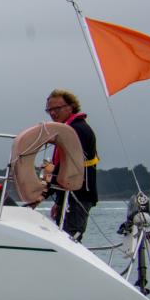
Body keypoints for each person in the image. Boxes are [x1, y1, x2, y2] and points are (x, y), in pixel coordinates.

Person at [41, 88, 98, 240]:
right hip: (69, 194)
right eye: (49, 110)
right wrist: (59, 201)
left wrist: (44, 192)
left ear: (71, 107)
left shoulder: (78, 130)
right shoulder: (68, 129)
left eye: (57, 108)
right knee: (63, 237)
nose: (53, 113)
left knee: (70, 239)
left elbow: (67, 166)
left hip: (79, 194)